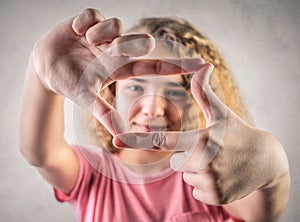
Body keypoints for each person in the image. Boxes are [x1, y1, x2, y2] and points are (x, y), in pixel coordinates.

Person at [19, 8, 290, 222]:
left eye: (175, 91)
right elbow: (40, 153)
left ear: (196, 101)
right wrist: (41, 70)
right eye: (136, 86)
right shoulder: (91, 173)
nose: (153, 108)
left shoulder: (209, 177)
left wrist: (274, 168)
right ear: (111, 93)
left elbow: (261, 215)